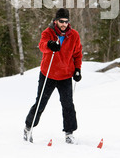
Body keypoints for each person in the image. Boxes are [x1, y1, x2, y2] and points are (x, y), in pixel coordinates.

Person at [24, 8, 83, 144]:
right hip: (48, 74)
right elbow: (42, 46)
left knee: (68, 104)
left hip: (65, 75)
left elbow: (77, 54)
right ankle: (28, 128)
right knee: (40, 103)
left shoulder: (74, 35)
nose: (63, 24)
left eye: (66, 22)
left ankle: (69, 133)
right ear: (55, 21)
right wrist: (50, 45)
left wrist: (77, 69)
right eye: (61, 21)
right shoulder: (48, 32)